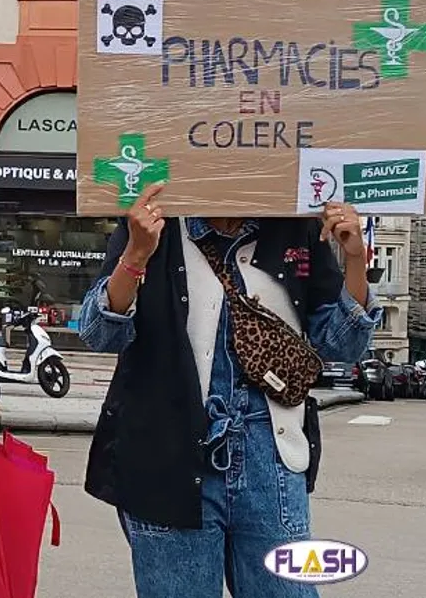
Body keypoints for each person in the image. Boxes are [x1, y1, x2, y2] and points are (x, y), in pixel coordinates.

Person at [79, 184, 380, 598]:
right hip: (167, 457)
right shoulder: (153, 224)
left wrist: (354, 261)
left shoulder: (298, 227)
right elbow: (99, 335)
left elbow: (341, 345)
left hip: (270, 463)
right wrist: (135, 255)